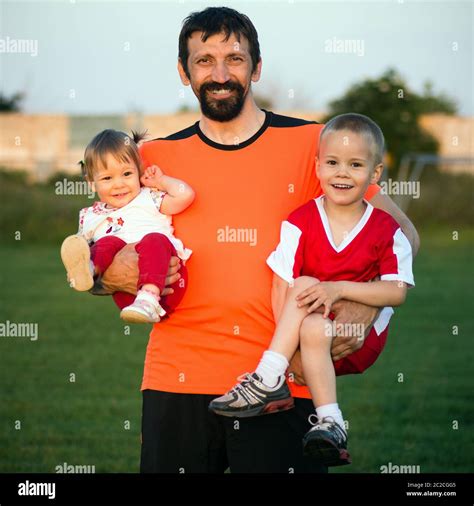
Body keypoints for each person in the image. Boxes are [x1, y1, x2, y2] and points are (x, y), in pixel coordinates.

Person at [99, 7, 420, 473]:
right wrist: (107, 276)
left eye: (235, 58)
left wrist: (369, 306)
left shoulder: (313, 147)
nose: (221, 73)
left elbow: (402, 236)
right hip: (177, 380)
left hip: (286, 382)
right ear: (183, 73)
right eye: (204, 60)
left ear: (257, 67)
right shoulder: (152, 161)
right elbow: (91, 249)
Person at [209, 113, 415, 467]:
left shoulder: (385, 228)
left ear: (375, 174)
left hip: (359, 340)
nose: (342, 173)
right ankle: (331, 422)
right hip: (310, 337)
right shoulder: (300, 220)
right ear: (318, 167)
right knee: (303, 290)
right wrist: (291, 354)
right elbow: (280, 286)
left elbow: (396, 292)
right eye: (333, 163)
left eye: (355, 165)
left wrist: (337, 289)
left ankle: (266, 376)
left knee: (310, 287)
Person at [60, 129, 194, 323]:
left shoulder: (149, 197)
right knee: (107, 242)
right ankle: (89, 271)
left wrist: (160, 181)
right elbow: (81, 248)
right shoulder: (91, 216)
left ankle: (149, 298)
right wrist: (78, 265)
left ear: (138, 172)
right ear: (91, 183)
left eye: (127, 174)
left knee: (154, 240)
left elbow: (185, 196)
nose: (119, 184)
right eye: (107, 178)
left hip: (167, 286)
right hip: (125, 295)